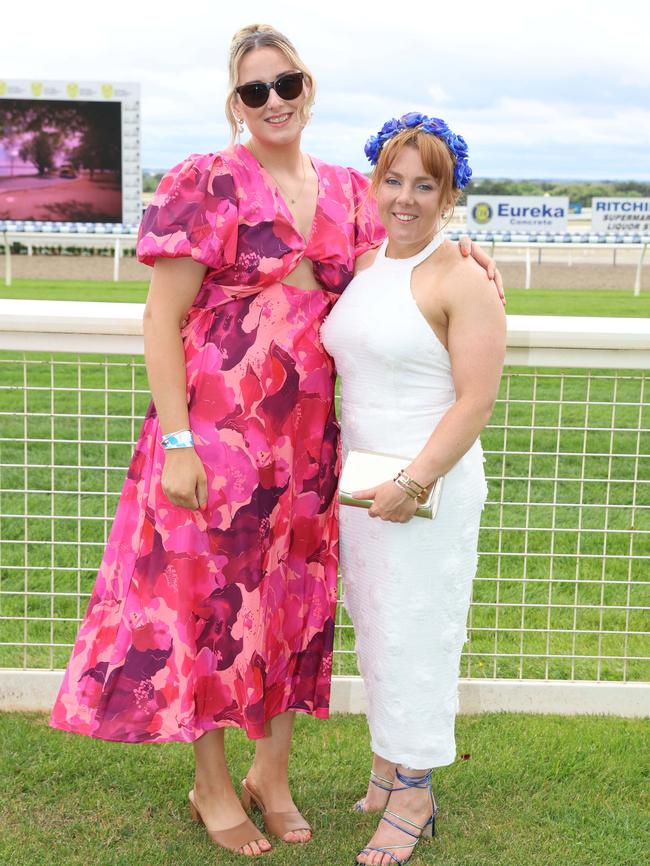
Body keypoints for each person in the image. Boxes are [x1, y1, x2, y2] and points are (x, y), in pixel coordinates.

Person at [49, 25, 502, 859]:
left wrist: (472, 254)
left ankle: (274, 776)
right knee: (209, 608)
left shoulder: (348, 192)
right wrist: (179, 439)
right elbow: (160, 318)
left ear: (308, 85)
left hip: (306, 443)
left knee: (289, 611)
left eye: (285, 82)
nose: (274, 101)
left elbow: (402, 263)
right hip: (215, 436)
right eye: (254, 90)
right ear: (235, 103)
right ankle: (212, 785)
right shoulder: (206, 181)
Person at [321, 113, 506, 865]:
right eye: (393, 180)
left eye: (423, 185)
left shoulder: (462, 277)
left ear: (448, 192)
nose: (405, 198)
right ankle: (386, 768)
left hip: (427, 486)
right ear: (374, 183)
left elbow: (474, 400)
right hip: (364, 486)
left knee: (417, 637)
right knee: (377, 629)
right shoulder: (366, 266)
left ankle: (416, 792)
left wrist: (414, 478)